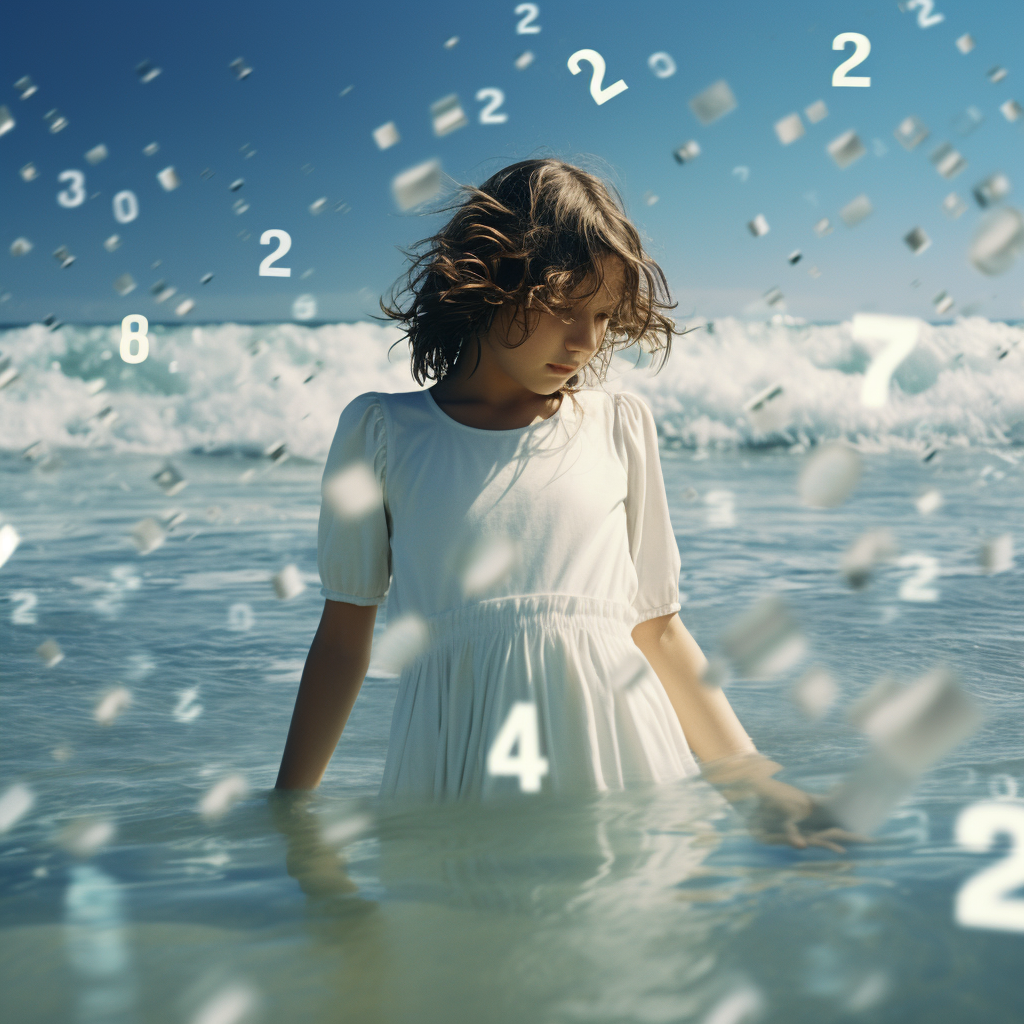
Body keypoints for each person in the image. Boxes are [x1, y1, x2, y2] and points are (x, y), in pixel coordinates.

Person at [274, 158, 866, 854]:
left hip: (622, 760)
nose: (585, 343)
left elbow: (660, 631)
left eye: (602, 317)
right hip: (456, 772)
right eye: (562, 309)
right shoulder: (383, 433)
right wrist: (290, 812)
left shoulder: (619, 425)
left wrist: (752, 782)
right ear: (488, 277)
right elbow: (345, 637)